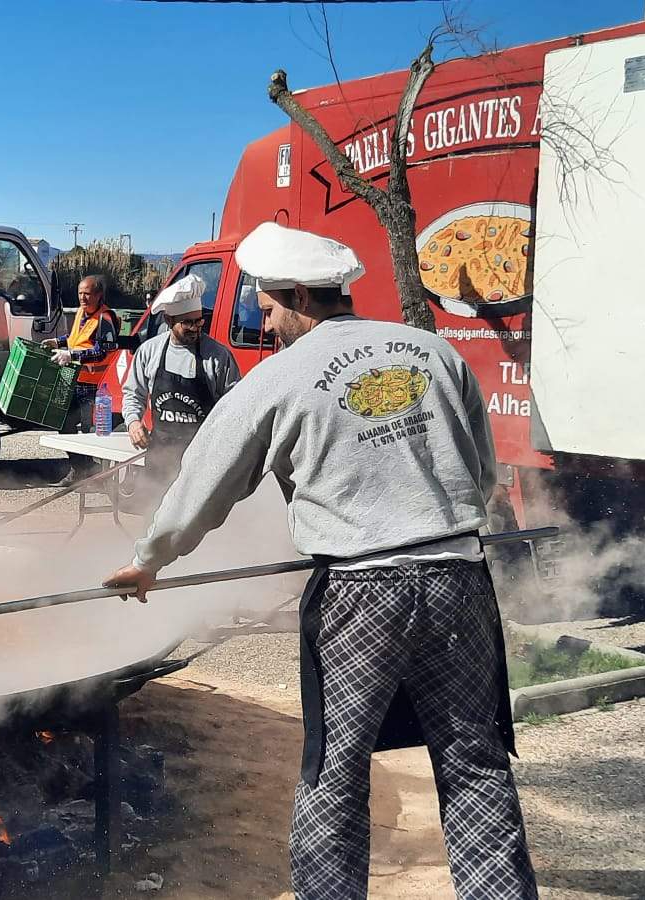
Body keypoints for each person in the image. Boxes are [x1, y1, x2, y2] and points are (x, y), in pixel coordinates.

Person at [104, 222, 538, 899]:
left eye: (269, 308)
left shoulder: (278, 378)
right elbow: (481, 475)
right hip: (459, 579)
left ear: (300, 296)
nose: (266, 323)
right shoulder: (435, 352)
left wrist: (151, 559)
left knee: (335, 773)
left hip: (360, 596)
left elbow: (203, 485)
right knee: (475, 765)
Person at [122, 273, 242, 504]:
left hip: (203, 461)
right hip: (160, 457)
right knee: (154, 516)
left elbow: (236, 408)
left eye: (199, 321)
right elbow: (133, 394)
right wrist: (133, 422)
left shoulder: (218, 356)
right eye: (187, 322)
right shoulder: (149, 352)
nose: (195, 328)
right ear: (169, 320)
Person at [45, 275, 122, 434]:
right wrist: (58, 342)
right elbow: (76, 337)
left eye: (87, 293)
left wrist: (71, 356)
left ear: (98, 295)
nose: (82, 297)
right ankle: (72, 451)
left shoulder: (106, 317)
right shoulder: (81, 312)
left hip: (94, 386)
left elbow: (101, 352)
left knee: (89, 429)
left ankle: (87, 450)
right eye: (80, 293)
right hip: (75, 379)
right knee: (64, 423)